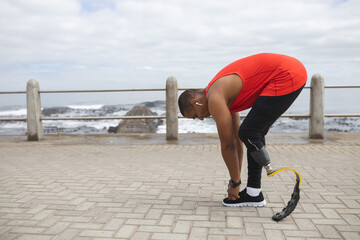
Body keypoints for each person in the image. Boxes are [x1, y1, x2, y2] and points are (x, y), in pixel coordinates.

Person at [178, 53, 307, 207]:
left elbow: (227, 145)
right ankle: (253, 193)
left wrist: (234, 183)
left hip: (286, 74)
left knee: (250, 132)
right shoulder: (222, 94)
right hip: (290, 71)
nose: (200, 119)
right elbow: (236, 141)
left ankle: (264, 176)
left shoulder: (215, 97)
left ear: (195, 102)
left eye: (194, 116)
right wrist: (236, 181)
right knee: (252, 133)